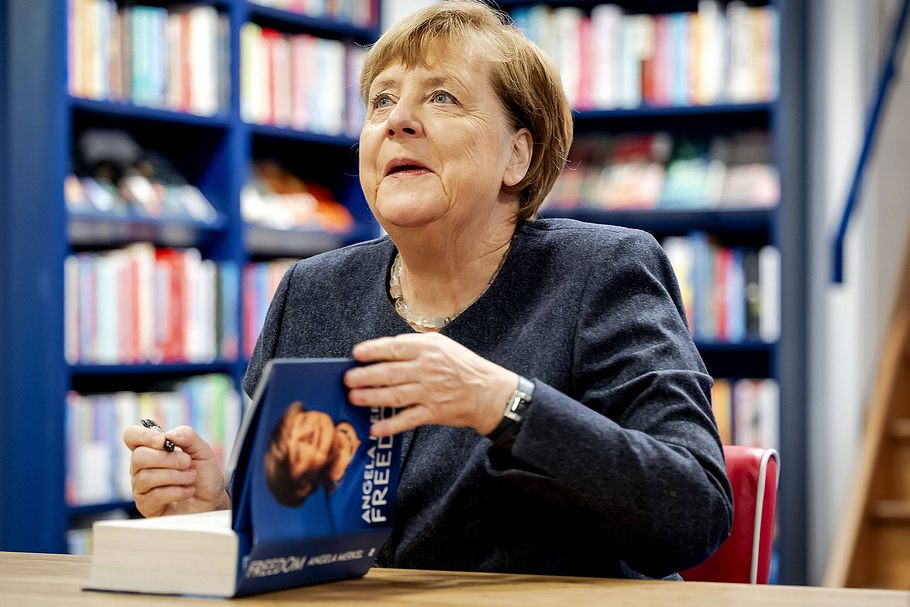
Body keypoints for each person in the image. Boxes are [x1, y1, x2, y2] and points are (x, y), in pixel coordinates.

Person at [124, 0, 733, 580]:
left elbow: (693, 510)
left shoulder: (601, 271)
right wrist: (217, 513)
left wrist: (501, 403)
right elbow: (304, 530)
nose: (398, 121)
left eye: (442, 97)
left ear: (517, 156)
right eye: (381, 101)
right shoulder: (312, 293)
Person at [264, 401, 362, 507]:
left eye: (303, 421)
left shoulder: (353, 400)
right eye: (298, 452)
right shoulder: (348, 508)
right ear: (303, 486)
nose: (309, 432)